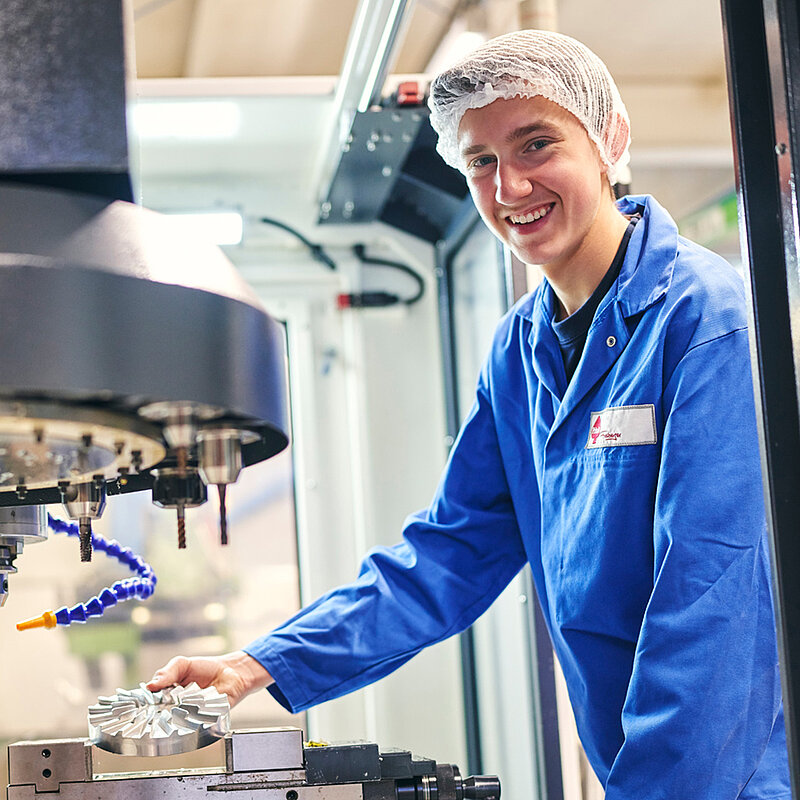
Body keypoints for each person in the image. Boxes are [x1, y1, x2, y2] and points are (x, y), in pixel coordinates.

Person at [148, 30, 790, 799]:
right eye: (482, 162)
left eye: (536, 144)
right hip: (640, 767)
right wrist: (260, 665)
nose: (510, 187)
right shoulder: (519, 350)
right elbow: (450, 554)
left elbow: (711, 602)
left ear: (608, 139)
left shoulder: (706, 320)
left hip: (731, 773)